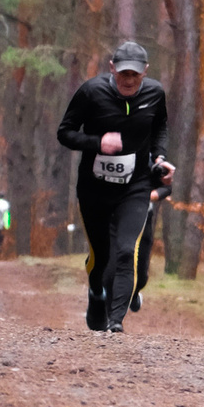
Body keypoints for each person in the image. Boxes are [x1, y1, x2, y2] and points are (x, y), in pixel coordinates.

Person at [57, 41, 173, 334]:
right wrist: (98, 143)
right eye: (123, 73)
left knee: (126, 251)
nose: (129, 80)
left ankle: (115, 320)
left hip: (135, 187)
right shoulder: (91, 92)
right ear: (112, 69)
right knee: (101, 257)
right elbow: (65, 132)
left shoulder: (155, 94)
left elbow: (160, 127)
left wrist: (159, 157)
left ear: (145, 72)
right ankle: (96, 293)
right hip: (94, 190)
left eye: (135, 74)